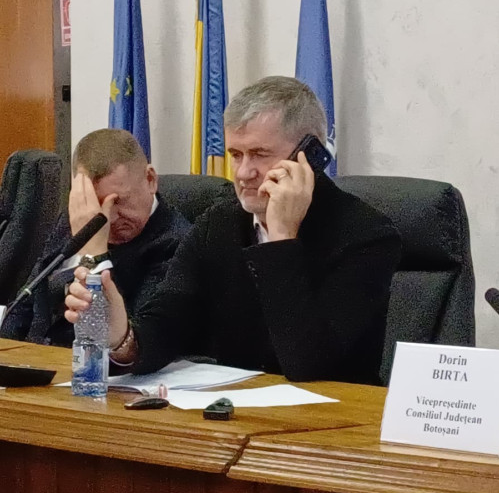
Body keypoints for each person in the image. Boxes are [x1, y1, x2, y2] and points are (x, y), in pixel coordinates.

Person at [66, 77, 401, 385]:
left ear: (309, 156)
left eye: (259, 154)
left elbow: (309, 365)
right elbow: (168, 323)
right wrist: (123, 338)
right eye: (236, 155)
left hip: (336, 419)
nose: (242, 173)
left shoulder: (367, 236)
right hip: (235, 412)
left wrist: (281, 238)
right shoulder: (220, 224)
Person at [1, 128, 190, 347]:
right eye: (97, 203)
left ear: (150, 180)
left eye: (118, 201)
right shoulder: (80, 217)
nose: (109, 218)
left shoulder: (180, 244)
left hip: (93, 365)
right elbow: (27, 301)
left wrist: (94, 254)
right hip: (37, 360)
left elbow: (132, 342)